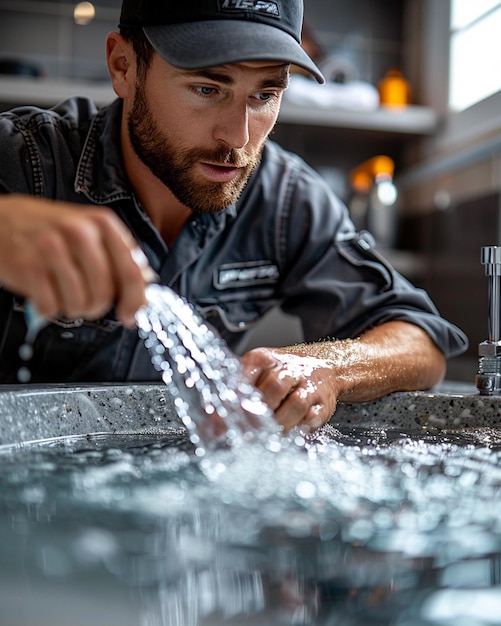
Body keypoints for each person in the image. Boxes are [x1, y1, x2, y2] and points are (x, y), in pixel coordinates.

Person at [0, 0, 468, 433]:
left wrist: (327, 367)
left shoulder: (284, 198)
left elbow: (420, 342)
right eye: (207, 88)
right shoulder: (26, 161)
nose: (238, 138)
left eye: (264, 95)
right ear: (124, 67)